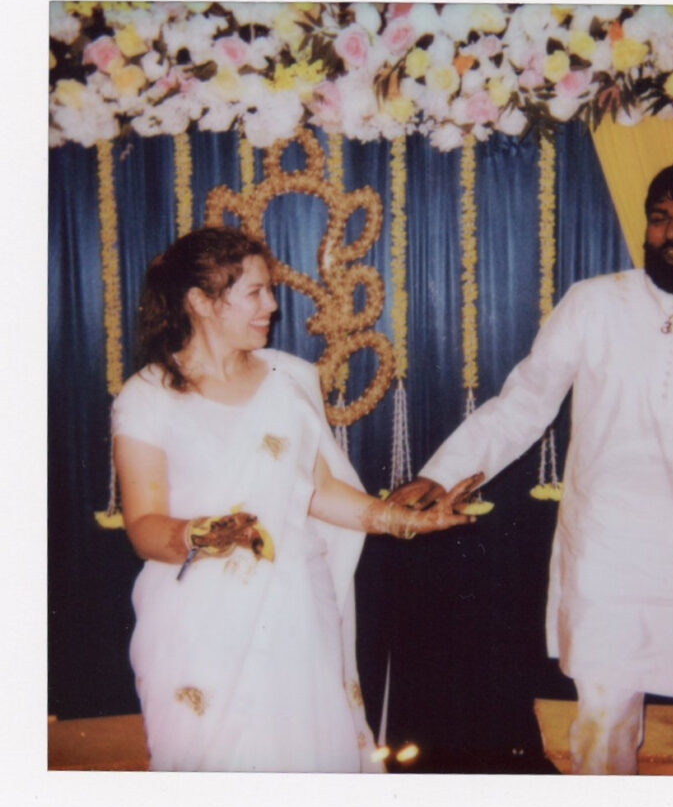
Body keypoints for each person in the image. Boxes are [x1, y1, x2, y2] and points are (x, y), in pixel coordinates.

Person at [390, 161, 673, 775]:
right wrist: (443, 474)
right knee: (602, 734)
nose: (672, 233)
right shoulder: (593, 304)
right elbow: (524, 403)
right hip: (611, 557)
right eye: (660, 218)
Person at [113, 226, 482, 772]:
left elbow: (319, 491)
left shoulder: (288, 380)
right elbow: (144, 524)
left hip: (294, 608)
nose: (272, 306)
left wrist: (402, 520)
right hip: (196, 622)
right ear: (200, 302)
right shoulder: (148, 397)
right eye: (255, 292)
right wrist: (198, 535)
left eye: (270, 290)